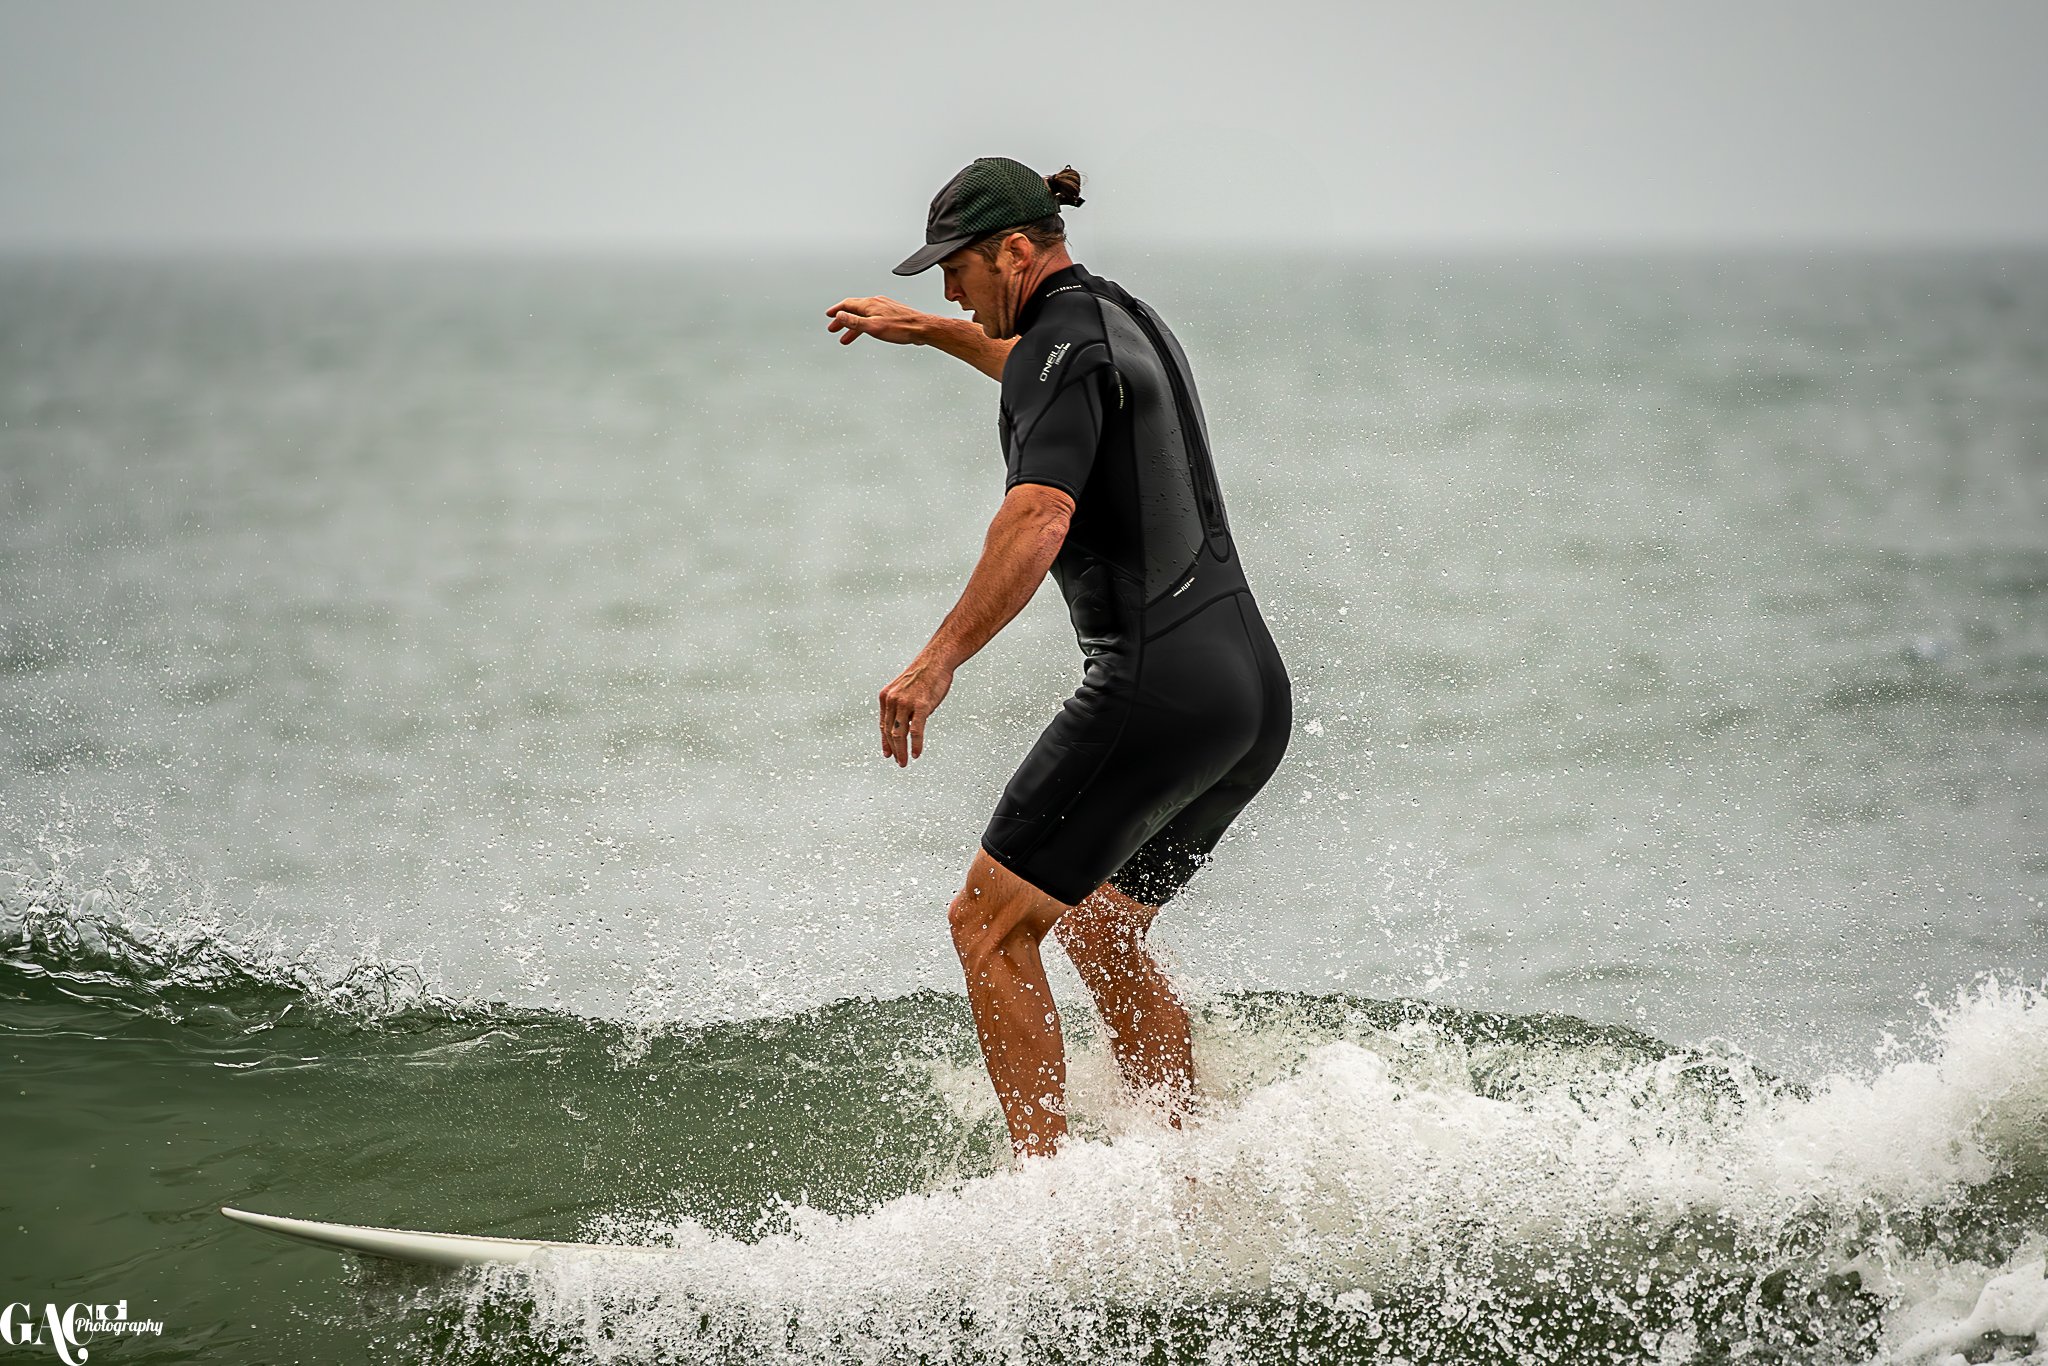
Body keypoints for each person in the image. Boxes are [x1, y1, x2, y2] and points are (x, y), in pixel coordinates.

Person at [825, 157, 1291, 1159]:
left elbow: (1037, 517)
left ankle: (1049, 1215)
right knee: (1097, 926)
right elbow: (1028, 360)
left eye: (955, 271)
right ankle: (1183, 1180)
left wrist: (935, 659)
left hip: (1153, 685)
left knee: (985, 926)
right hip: (1243, 693)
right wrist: (930, 334)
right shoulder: (1111, 317)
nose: (946, 288)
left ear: (1016, 251)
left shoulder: (1057, 347)